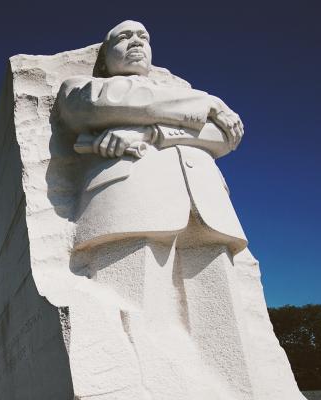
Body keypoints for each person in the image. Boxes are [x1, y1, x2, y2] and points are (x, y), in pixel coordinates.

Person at [56, 20, 258, 397]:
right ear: (103, 58)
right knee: (137, 318)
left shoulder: (171, 98)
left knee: (224, 330)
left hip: (205, 203)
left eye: (144, 38)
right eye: (124, 37)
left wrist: (151, 133)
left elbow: (226, 136)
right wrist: (210, 103)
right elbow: (101, 107)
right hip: (130, 203)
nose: (136, 42)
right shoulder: (86, 87)